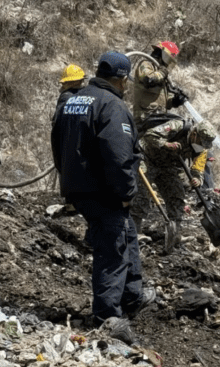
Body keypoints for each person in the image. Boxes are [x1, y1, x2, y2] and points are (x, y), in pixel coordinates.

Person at [51, 51, 154, 333]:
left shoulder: (73, 101)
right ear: (121, 80)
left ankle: (132, 296)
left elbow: (57, 144)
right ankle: (107, 317)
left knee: (126, 231)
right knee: (113, 249)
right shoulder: (112, 106)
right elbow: (118, 155)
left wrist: (68, 182)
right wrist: (126, 191)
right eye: (126, 82)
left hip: (79, 188)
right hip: (105, 191)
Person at [133, 116, 217, 241]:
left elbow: (198, 167)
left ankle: (175, 234)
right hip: (148, 157)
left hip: (168, 166)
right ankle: (135, 231)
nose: (202, 146)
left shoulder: (202, 149)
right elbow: (149, 136)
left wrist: (197, 178)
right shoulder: (177, 126)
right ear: (194, 134)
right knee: (143, 191)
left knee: (177, 194)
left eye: (205, 144)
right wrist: (166, 144)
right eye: (201, 142)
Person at [130, 40, 188, 130]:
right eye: (169, 59)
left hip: (157, 119)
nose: (168, 63)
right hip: (144, 119)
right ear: (163, 55)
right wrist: (162, 73)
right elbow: (148, 79)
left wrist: (174, 101)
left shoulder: (160, 74)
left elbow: (163, 102)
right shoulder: (146, 64)